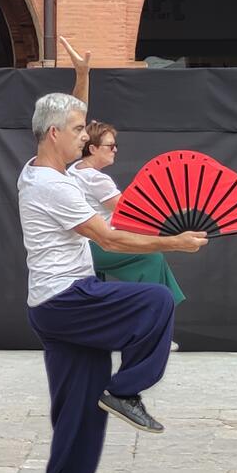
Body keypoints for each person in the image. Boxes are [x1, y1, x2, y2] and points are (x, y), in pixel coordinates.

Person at [18, 40, 207, 473]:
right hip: (66, 299)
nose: (86, 137)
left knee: (80, 404)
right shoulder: (54, 186)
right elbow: (111, 239)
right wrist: (174, 243)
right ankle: (128, 388)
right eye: (80, 131)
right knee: (156, 301)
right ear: (56, 133)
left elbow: (70, 118)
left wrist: (82, 78)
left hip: (50, 304)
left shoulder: (39, 168)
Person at [66, 120, 185, 349]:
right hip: (95, 245)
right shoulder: (96, 178)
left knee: (99, 288)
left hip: (79, 245)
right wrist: (174, 210)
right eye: (111, 145)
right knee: (151, 257)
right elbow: (131, 212)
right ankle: (152, 333)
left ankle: (108, 334)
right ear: (92, 148)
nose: (116, 149)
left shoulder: (74, 171)